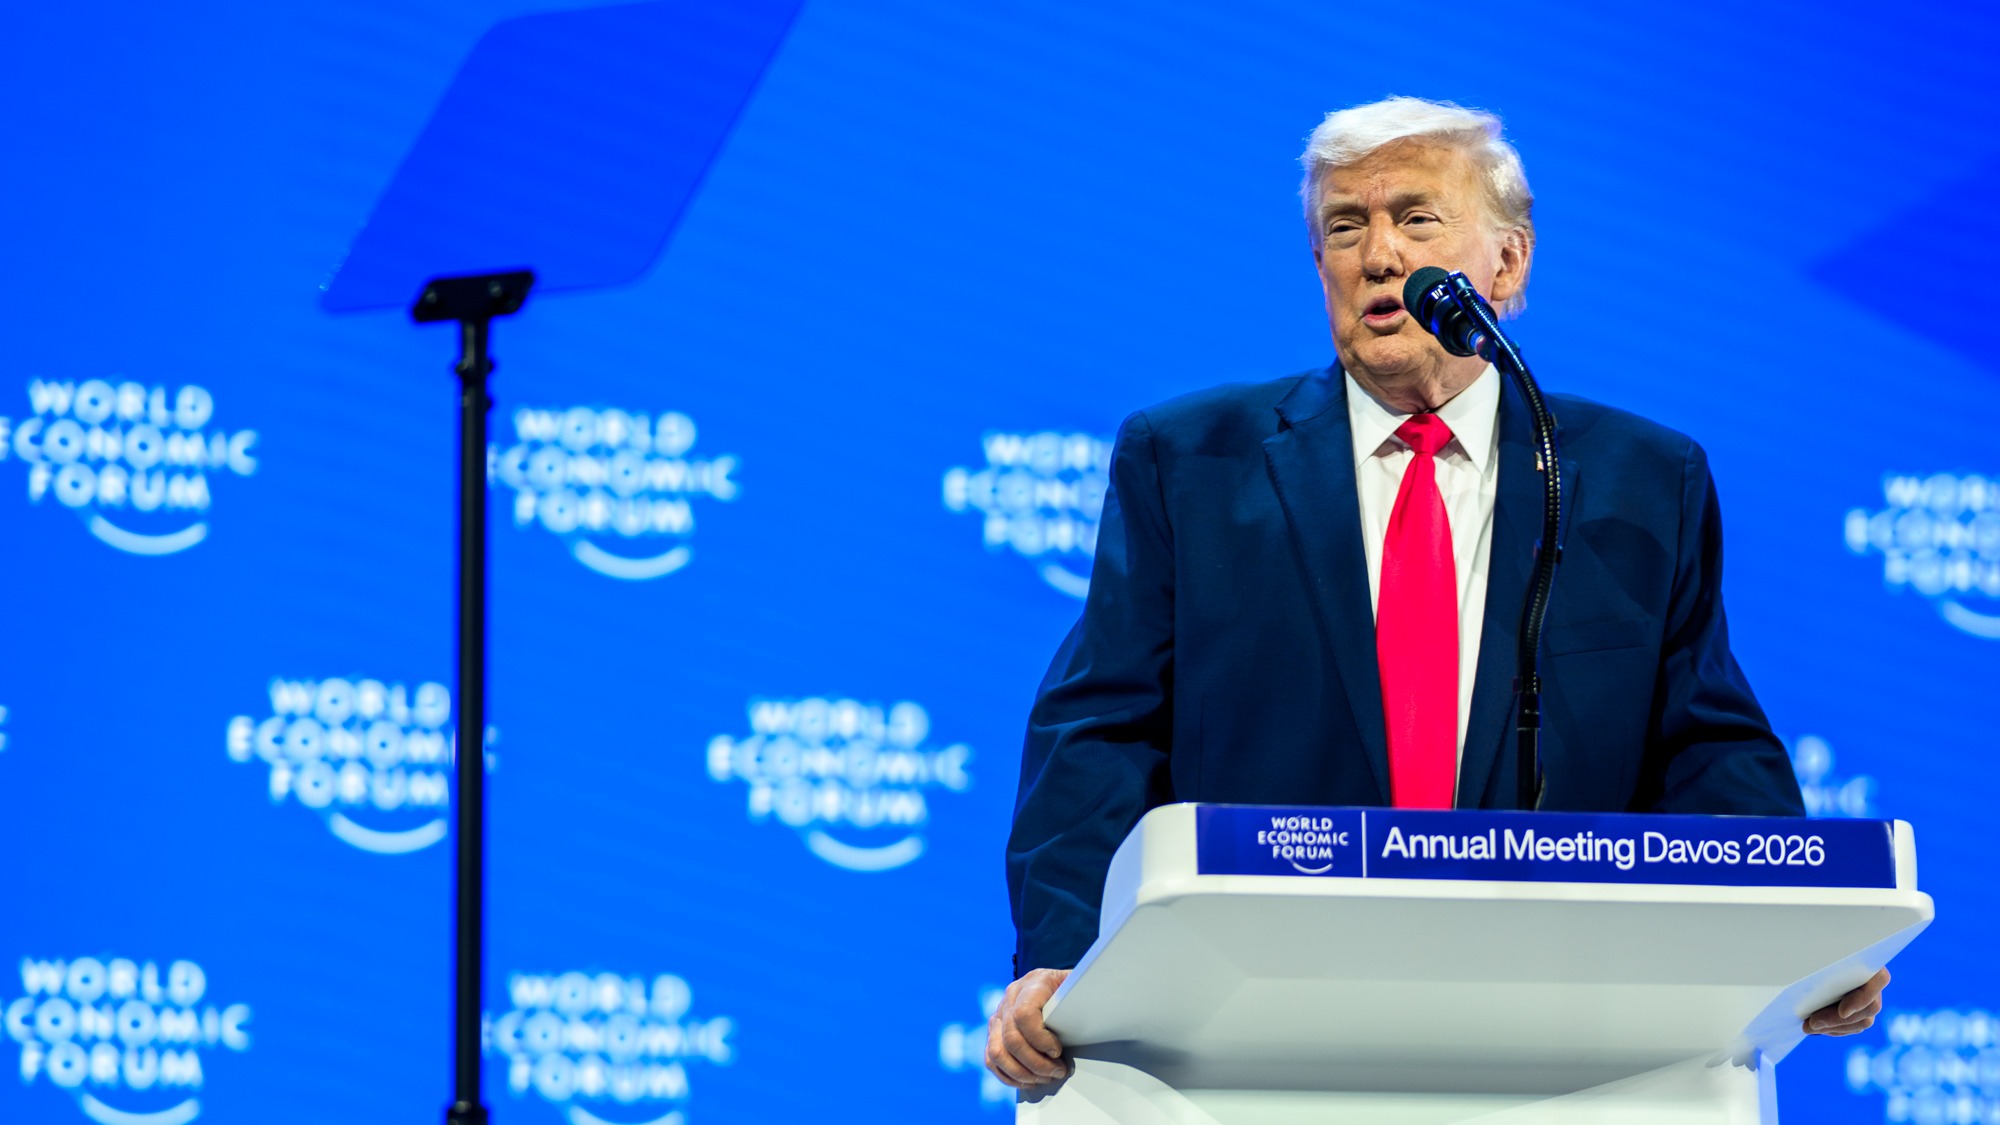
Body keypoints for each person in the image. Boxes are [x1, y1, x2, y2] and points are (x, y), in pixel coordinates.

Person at [986, 96, 1889, 1090]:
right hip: (1257, 1027)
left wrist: (1793, 946)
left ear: (1506, 263)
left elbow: (1702, 742)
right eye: (1343, 225)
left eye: (1414, 219)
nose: (1376, 256)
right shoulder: (1189, 462)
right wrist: (1061, 961)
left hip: (1557, 1036)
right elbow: (1102, 726)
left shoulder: (1638, 479)